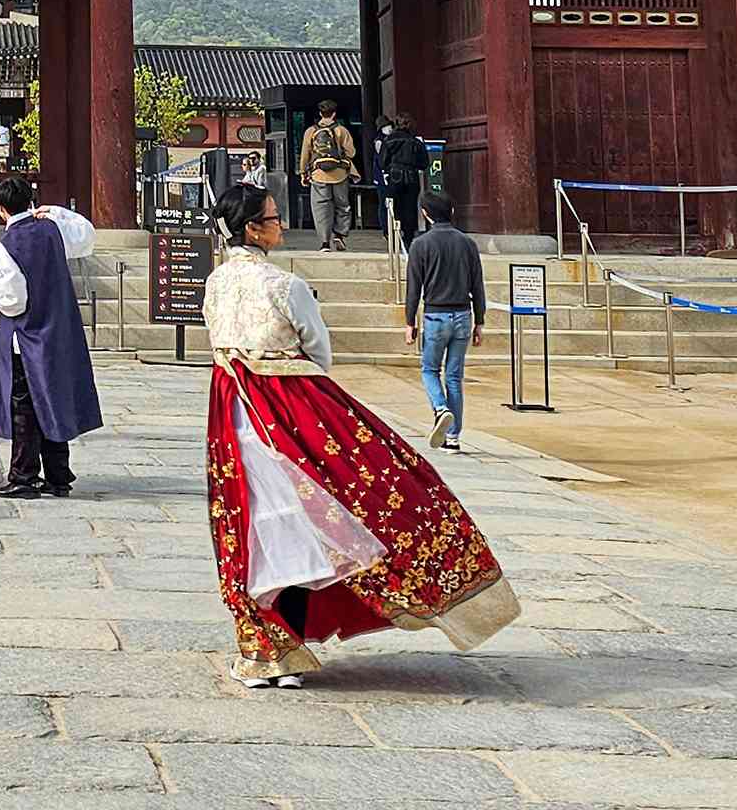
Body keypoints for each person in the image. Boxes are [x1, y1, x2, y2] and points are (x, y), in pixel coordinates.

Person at [203, 183, 520, 687]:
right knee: (337, 509)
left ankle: (266, 645)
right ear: (252, 229)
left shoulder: (215, 282)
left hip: (235, 413)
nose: (281, 224)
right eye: (274, 217)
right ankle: (290, 641)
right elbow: (319, 351)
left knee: (257, 523)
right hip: (292, 412)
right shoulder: (285, 286)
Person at [0, 176, 101, 499]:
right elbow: (86, 234)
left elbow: (14, 301)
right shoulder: (53, 230)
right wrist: (54, 211)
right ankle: (58, 474)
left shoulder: (6, 247)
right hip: (59, 330)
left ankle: (24, 476)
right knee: (50, 399)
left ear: (0, 208)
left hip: (26, 337)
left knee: (24, 406)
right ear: (30, 202)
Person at [403, 195, 486, 452]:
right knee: (454, 377)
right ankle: (453, 438)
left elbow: (414, 287)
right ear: (451, 210)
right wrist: (480, 321)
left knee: (429, 370)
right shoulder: (468, 243)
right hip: (463, 314)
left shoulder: (420, 244)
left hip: (435, 315)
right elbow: (477, 284)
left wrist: (410, 321)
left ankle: (440, 409)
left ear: (425, 214)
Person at [298, 101, 358, 253]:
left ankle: (325, 242)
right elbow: (351, 152)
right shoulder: (341, 131)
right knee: (343, 205)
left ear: (320, 113)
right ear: (334, 113)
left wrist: (303, 173)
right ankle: (339, 235)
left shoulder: (310, 131)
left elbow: (305, 154)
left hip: (318, 174)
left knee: (321, 208)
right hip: (340, 174)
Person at [371, 116, 428, 246]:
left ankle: (393, 234)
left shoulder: (389, 140)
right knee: (410, 207)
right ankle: (408, 237)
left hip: (394, 176)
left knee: (392, 206)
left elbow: (382, 162)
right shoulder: (416, 142)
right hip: (412, 177)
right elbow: (424, 163)